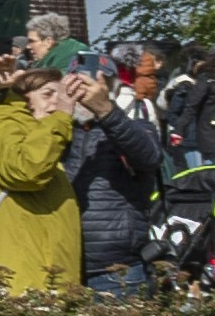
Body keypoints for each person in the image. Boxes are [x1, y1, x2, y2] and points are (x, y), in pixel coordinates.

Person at [0, 48, 88, 292]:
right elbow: (28, 171)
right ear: (25, 99)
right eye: (47, 94)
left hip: (44, 277)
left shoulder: (41, 135)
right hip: (24, 280)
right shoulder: (7, 130)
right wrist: (61, 118)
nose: (57, 103)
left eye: (60, 95)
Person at [70, 73, 167, 296]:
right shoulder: (60, 131)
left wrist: (105, 110)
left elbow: (149, 157)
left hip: (116, 269)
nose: (83, 93)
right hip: (65, 264)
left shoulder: (135, 126)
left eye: (91, 85)